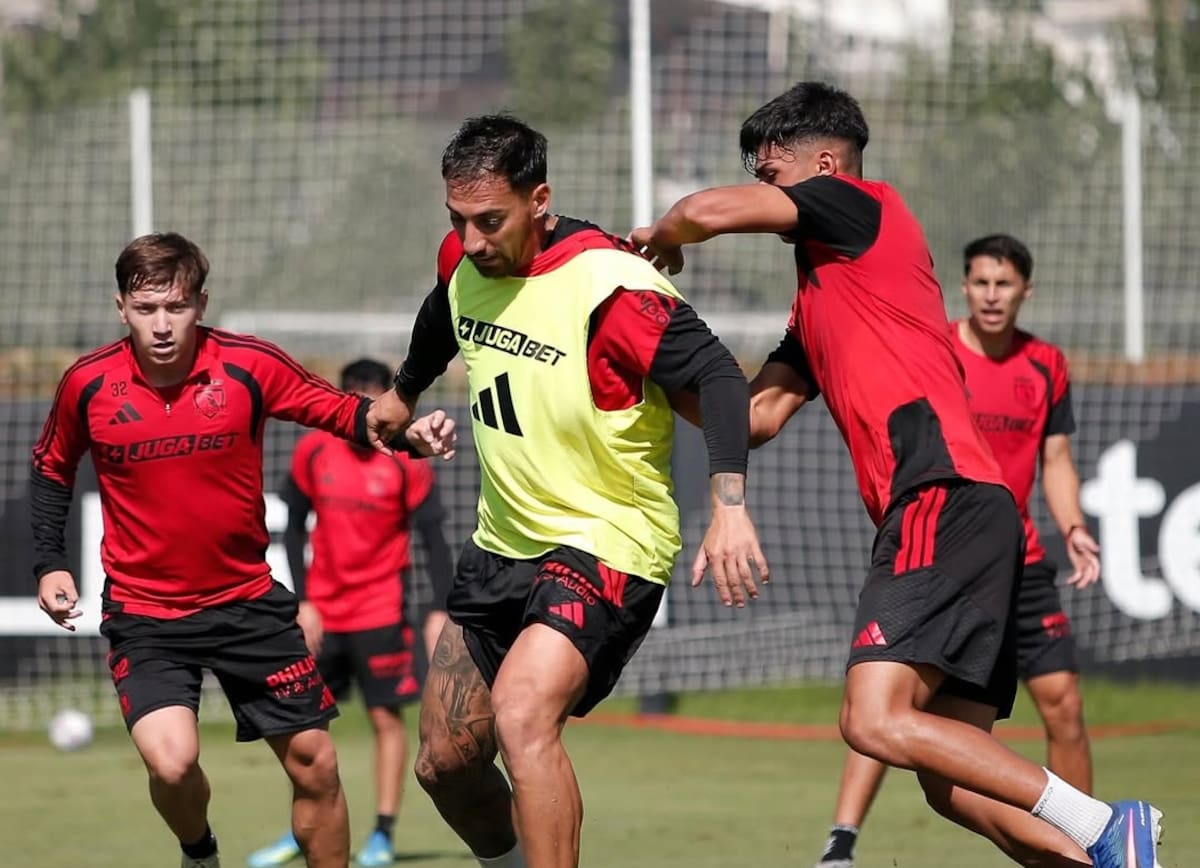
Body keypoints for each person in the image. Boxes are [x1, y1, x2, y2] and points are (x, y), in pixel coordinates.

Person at [631, 82, 1164, 868]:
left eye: (769, 173)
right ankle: (1103, 856)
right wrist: (645, 363)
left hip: (939, 497)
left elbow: (705, 212)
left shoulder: (862, 206)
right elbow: (756, 417)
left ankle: (1102, 823)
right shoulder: (822, 293)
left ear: (823, 166)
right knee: (953, 783)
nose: (761, 186)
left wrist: (660, 237)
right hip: (965, 511)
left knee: (871, 719)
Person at [363, 113, 768, 868]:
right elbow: (445, 303)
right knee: (445, 764)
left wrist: (729, 506)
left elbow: (718, 377)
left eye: (490, 220)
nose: (471, 240)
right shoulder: (467, 258)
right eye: (457, 220)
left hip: (606, 541)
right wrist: (404, 390)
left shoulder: (610, 286)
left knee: (522, 716)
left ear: (539, 201)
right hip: (501, 545)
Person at [30, 233, 448, 868]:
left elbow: (341, 412)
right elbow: (51, 468)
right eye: (146, 309)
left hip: (247, 604)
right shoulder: (87, 383)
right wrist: (50, 562)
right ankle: (200, 852)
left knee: (316, 763)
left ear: (201, 303)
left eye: (176, 307)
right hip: (147, 615)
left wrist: (410, 435)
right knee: (172, 765)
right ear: (121, 308)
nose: (162, 325)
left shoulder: (249, 365)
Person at [811, 233, 1103, 868]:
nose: (992, 295)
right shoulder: (933, 348)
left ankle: (1094, 833)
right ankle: (843, 840)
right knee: (911, 731)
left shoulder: (1045, 365)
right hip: (946, 547)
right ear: (963, 287)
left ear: (1026, 291)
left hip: (1017, 560)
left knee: (1059, 703)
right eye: (981, 282)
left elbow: (1056, 459)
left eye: (1005, 283)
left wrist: (1074, 525)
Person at [247, 358, 455, 868]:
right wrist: (302, 602)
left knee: (385, 718)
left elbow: (433, 539)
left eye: (377, 398)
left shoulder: (408, 461)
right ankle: (303, 829)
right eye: (358, 399)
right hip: (321, 614)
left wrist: (439, 610)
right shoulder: (314, 450)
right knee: (303, 727)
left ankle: (383, 833)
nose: (370, 410)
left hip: (381, 613)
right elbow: (292, 528)